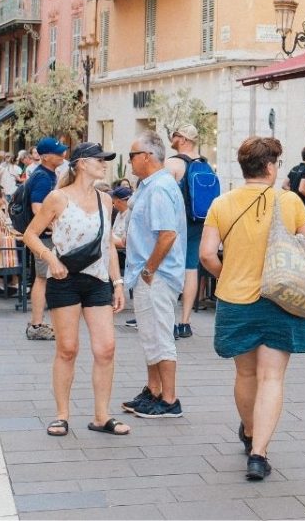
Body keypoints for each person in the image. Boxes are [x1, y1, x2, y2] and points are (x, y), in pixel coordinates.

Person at [200, 136, 305, 481]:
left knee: (246, 374)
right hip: (282, 299)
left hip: (236, 298)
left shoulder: (222, 204)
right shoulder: (290, 201)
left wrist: (229, 274)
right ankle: (258, 453)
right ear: (269, 166)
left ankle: (250, 430)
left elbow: (207, 254)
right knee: (272, 377)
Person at [23, 143, 127, 437]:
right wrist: (50, 258)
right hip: (65, 279)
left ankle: (102, 415)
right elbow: (30, 234)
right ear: (81, 163)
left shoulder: (106, 200)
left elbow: (107, 244)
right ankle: (61, 415)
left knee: (106, 348)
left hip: (97, 281)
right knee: (68, 349)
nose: (105, 164)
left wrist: (117, 283)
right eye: (100, 160)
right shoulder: (58, 198)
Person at [121, 131, 187, 419]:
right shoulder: (149, 185)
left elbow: (167, 234)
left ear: (146, 157)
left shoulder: (159, 188)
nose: (130, 162)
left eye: (132, 155)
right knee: (150, 335)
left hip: (157, 275)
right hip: (147, 273)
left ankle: (169, 399)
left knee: (160, 336)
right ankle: (154, 389)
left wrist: (149, 269)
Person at [166, 124, 210, 339]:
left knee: (170, 269)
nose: (171, 138)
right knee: (190, 269)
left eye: (174, 135)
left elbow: (164, 198)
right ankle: (185, 322)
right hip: (198, 222)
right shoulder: (205, 163)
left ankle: (167, 320)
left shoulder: (173, 164)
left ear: (182, 139)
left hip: (176, 224)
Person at [24, 137, 68, 341]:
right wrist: (55, 226)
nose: (63, 154)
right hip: (42, 237)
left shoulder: (45, 174)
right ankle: (36, 324)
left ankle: (38, 322)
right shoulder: (43, 177)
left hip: (42, 235)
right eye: (58, 152)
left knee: (42, 278)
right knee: (41, 279)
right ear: (45, 156)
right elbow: (37, 207)